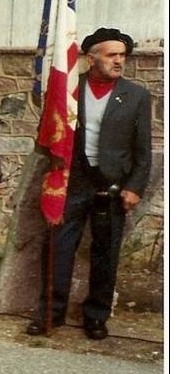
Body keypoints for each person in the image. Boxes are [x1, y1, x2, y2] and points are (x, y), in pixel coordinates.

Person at [26, 28, 152, 340]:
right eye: (112, 55)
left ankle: (96, 316)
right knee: (58, 248)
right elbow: (49, 134)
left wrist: (134, 187)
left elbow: (143, 150)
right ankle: (50, 314)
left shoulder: (136, 96)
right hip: (72, 181)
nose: (119, 61)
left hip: (112, 185)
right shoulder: (69, 90)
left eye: (122, 55)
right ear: (90, 57)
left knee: (105, 254)